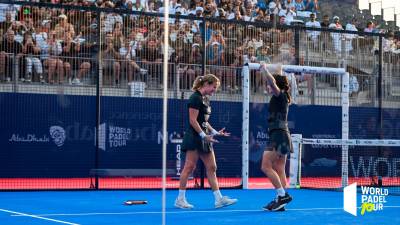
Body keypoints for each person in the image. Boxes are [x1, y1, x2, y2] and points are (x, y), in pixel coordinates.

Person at [175, 74, 238, 209]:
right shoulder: (195, 98)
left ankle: (218, 199)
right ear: (206, 84)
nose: (214, 90)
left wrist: (215, 132)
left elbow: (204, 121)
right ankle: (180, 199)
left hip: (204, 137)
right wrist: (204, 135)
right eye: (214, 87)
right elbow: (193, 121)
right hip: (194, 137)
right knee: (189, 167)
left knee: (212, 167)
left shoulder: (205, 99)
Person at [259, 63, 293, 211]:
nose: (268, 86)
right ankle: (280, 200)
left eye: (270, 85)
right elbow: (276, 80)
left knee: (265, 166)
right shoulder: (284, 96)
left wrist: (264, 68)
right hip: (283, 135)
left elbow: (272, 82)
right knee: (279, 168)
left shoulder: (280, 96)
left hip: (278, 135)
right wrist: (279, 68)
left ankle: (282, 195)